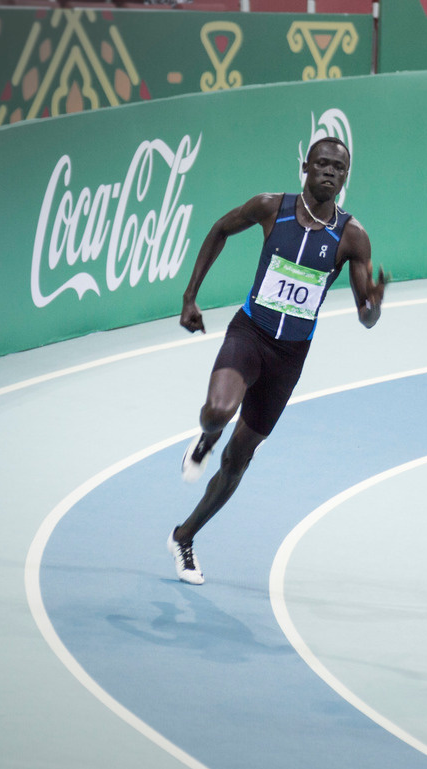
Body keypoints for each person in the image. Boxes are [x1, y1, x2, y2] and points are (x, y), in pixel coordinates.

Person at [168, 137, 386, 585]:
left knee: (240, 458)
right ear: (305, 166)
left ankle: (184, 537)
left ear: (346, 177)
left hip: (290, 356)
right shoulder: (272, 208)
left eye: (338, 168)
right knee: (217, 412)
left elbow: (366, 317)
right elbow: (220, 230)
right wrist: (190, 296)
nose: (329, 172)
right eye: (321, 163)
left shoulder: (352, 237)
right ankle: (206, 438)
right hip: (249, 332)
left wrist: (374, 307)